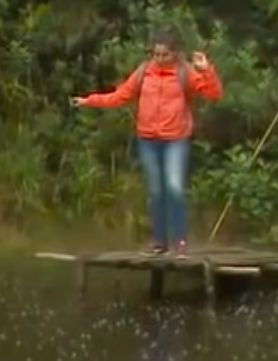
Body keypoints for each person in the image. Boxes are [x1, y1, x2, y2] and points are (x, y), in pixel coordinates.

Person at [69, 30, 222, 255]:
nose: (159, 59)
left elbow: (214, 93)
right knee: (156, 191)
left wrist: (206, 69)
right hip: (148, 138)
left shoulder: (184, 73)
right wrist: (89, 100)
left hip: (175, 139)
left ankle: (179, 241)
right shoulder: (144, 72)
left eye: (164, 54)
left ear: (175, 53)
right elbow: (120, 95)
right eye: (156, 54)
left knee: (174, 188)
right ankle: (159, 241)